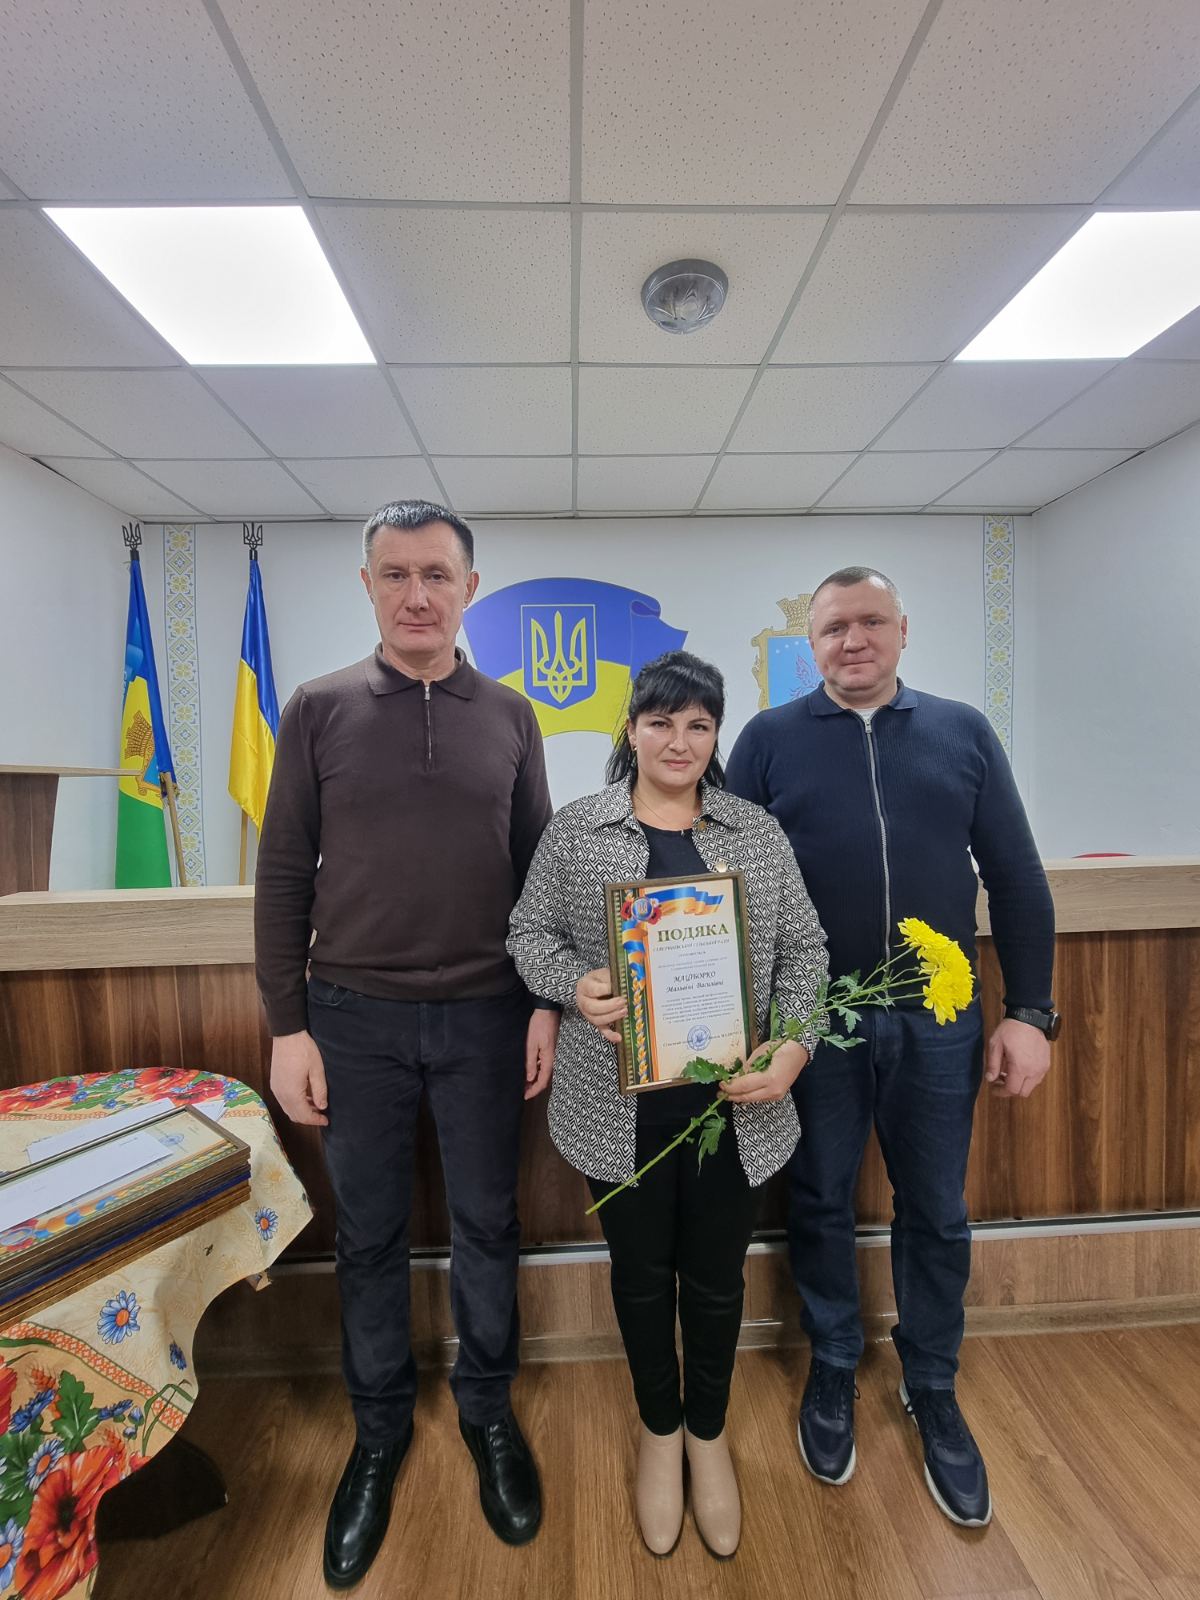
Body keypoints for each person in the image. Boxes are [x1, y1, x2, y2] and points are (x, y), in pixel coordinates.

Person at [254, 500, 558, 1588]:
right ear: (369, 586)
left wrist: (544, 1003)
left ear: (471, 588)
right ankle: (378, 1432)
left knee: (487, 1224)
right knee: (371, 1236)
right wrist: (286, 1025)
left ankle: (487, 1412)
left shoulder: (513, 716)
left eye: (437, 574)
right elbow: (282, 871)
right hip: (352, 1019)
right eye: (396, 574)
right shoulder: (318, 708)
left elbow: (538, 871)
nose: (417, 594)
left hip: (487, 1015)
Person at [725, 566, 1057, 1529]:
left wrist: (1031, 1013)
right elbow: (727, 882)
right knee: (820, 1199)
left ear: (903, 630)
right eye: (834, 628)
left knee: (937, 1211)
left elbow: (1017, 877)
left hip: (940, 1020)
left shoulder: (962, 732)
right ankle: (834, 1361)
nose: (853, 640)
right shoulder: (768, 740)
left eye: (871, 621)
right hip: (814, 1022)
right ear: (812, 645)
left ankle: (932, 1381)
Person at [507, 651, 828, 1558]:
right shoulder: (577, 832)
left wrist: (794, 1045)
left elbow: (806, 951)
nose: (678, 741)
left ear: (716, 735)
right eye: (660, 722)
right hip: (618, 1113)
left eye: (698, 724)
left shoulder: (755, 832)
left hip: (735, 1106)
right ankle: (659, 1430)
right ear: (632, 729)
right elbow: (527, 934)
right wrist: (574, 985)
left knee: (718, 1279)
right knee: (642, 1276)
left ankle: (707, 1433)